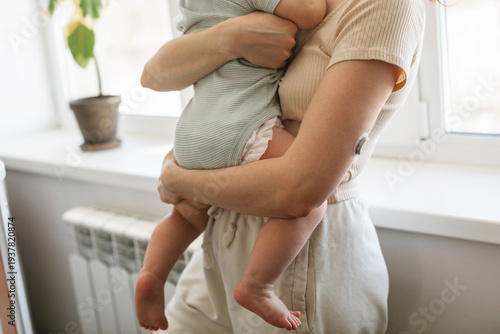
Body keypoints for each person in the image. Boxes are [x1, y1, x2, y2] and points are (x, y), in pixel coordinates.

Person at [148, 0, 432, 332]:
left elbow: (300, 192)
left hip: (299, 255)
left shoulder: (386, 7)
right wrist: (228, 37)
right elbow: (153, 76)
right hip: (218, 235)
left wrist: (179, 179)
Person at [135, 0, 328, 331]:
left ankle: (152, 274)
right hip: (241, 125)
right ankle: (258, 284)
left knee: (185, 214)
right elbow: (310, 11)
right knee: (312, 199)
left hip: (190, 133)